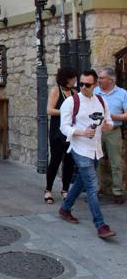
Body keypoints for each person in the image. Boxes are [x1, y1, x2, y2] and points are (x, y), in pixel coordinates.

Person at [59, 69, 116, 238]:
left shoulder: (101, 101)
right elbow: (64, 127)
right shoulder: (71, 102)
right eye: (81, 84)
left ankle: (65, 208)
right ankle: (100, 225)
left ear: (96, 84)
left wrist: (108, 126)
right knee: (92, 185)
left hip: (95, 149)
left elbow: (109, 120)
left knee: (82, 183)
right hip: (79, 148)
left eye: (88, 84)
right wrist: (81, 132)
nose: (83, 87)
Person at [44, 67, 78, 204]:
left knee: (69, 162)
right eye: (73, 78)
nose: (75, 80)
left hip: (70, 131)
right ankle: (48, 190)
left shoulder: (74, 92)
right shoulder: (56, 91)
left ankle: (65, 190)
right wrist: (66, 111)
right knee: (55, 161)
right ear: (67, 79)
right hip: (57, 131)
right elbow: (49, 110)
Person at [95, 67, 127, 204]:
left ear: (111, 79)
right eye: (99, 78)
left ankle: (118, 192)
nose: (99, 80)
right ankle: (95, 189)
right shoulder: (95, 92)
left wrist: (111, 116)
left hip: (113, 130)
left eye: (102, 78)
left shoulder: (123, 93)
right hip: (96, 130)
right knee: (95, 161)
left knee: (116, 162)